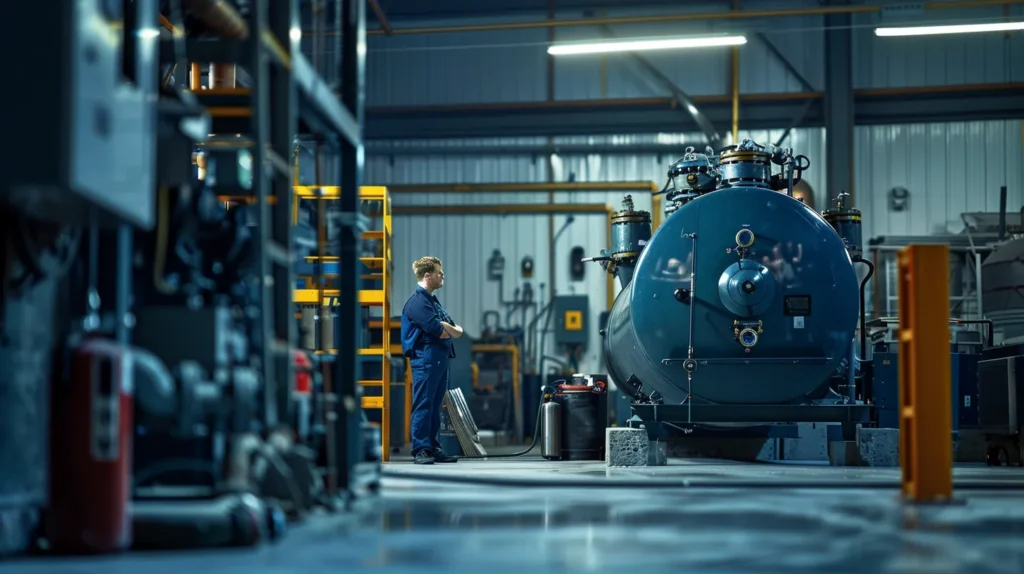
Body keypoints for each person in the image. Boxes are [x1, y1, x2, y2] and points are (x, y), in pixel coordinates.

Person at [400, 256, 464, 465]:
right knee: (424, 404)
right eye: (439, 272)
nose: (442, 275)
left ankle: (433, 447)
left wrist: (452, 329)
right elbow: (440, 331)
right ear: (428, 276)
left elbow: (453, 327)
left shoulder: (432, 301)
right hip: (426, 360)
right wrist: (451, 329)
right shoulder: (418, 303)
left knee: (436, 405)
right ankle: (420, 449)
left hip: (438, 359)